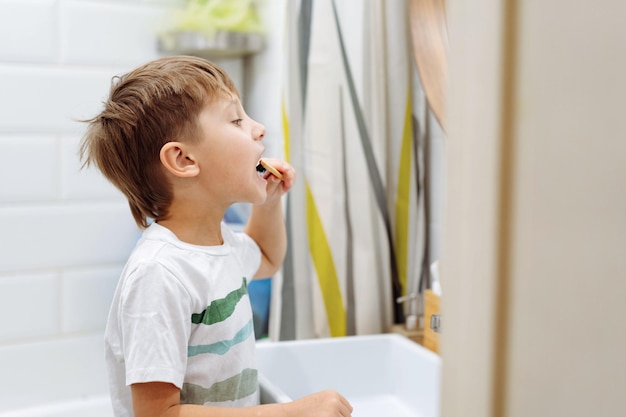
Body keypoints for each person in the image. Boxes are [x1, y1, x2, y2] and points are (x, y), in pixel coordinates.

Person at [80, 56, 353, 417]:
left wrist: (268, 203)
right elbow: (158, 414)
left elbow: (267, 259)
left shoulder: (217, 245)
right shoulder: (160, 274)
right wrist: (288, 413)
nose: (259, 129)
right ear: (184, 160)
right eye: (237, 119)